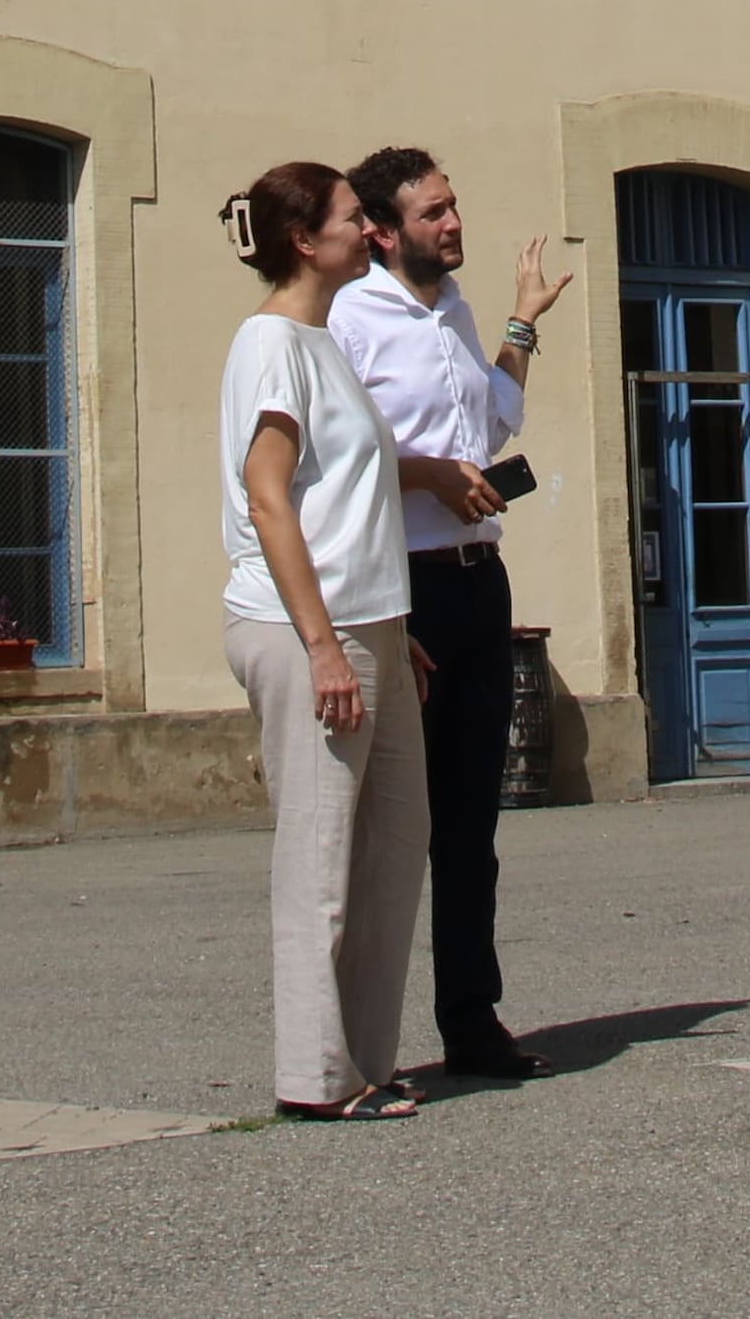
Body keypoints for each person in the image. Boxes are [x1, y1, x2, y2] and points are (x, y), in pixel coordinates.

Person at [332, 144, 573, 1079]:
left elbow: (493, 421)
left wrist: (521, 323)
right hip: (405, 586)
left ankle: (472, 1022)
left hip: (480, 583)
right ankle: (360, 1044)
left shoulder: (454, 311)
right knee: (393, 826)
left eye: (455, 205)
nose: (454, 223)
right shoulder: (351, 318)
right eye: (434, 212)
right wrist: (427, 473)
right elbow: (333, 456)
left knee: (473, 826)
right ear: (385, 232)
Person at [218, 156, 431, 1121]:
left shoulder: (325, 341)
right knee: (321, 855)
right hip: (308, 626)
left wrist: (391, 630)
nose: (373, 230)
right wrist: (324, 646)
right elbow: (270, 500)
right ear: (305, 239)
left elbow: (349, 501)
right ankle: (313, 1075)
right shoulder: (272, 344)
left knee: (397, 841)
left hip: (369, 622)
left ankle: (366, 1056)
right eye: (357, 218)